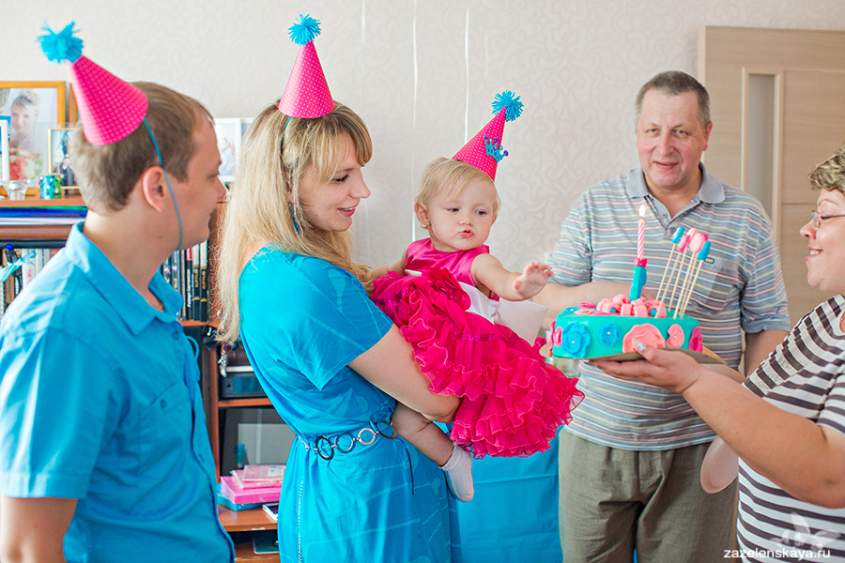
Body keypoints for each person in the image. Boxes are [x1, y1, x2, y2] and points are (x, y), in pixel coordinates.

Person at [214, 16, 461, 562]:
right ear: (286, 183)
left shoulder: (261, 269)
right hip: (373, 496)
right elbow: (439, 399)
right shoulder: (314, 282)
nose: (362, 191)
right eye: (341, 177)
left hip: (328, 483)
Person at [535, 70, 791, 563]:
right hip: (596, 436)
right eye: (652, 130)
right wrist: (604, 295)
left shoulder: (745, 217)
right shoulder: (595, 205)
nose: (664, 147)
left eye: (681, 131)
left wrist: (754, 419)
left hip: (699, 441)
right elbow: (545, 300)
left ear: (706, 135)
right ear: (637, 133)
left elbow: (767, 325)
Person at [0, 24, 233, 563]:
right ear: (157, 188)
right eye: (212, 176)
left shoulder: (151, 300)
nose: (221, 194)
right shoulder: (63, 333)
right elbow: (25, 548)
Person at [595, 143, 845, 562]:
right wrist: (684, 359)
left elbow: (830, 475)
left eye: (825, 214)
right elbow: (756, 396)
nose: (808, 229)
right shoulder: (828, 314)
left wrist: (690, 380)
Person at [369, 153, 582, 490]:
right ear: (424, 213)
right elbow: (382, 276)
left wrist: (524, 284)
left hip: (463, 364)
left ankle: (454, 460)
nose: (466, 220)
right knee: (393, 414)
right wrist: (356, 277)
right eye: (454, 209)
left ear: (493, 218)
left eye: (480, 212)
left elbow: (504, 282)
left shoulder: (476, 262)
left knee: (407, 421)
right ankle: (435, 466)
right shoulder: (414, 252)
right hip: (413, 352)